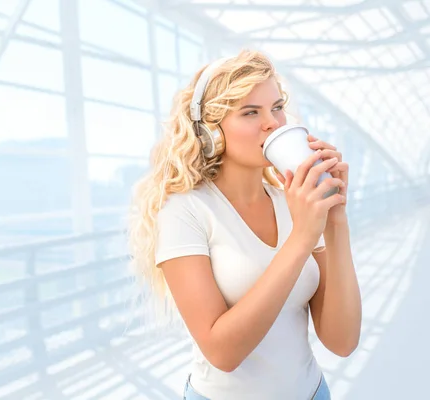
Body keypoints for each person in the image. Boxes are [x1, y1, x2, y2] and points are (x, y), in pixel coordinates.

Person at [127, 50, 362, 400]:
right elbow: (222, 353)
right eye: (251, 112)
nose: (273, 123)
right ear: (212, 133)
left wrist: (335, 220)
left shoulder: (292, 201)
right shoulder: (184, 211)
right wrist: (300, 239)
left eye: (277, 107)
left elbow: (342, 342)